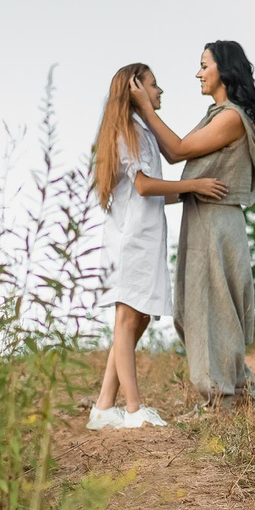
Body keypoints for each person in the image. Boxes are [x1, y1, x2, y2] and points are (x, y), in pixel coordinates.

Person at [88, 61, 226, 429]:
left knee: (140, 315)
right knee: (128, 317)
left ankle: (104, 406)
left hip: (145, 236)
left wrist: (192, 195)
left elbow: (152, 194)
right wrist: (193, 186)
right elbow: (144, 186)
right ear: (134, 89)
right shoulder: (128, 130)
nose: (160, 91)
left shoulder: (141, 130)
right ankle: (133, 409)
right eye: (152, 85)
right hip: (131, 239)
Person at [131, 40, 255, 405]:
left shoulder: (230, 118)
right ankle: (238, 395)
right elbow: (189, 174)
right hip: (203, 219)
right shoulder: (216, 113)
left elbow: (175, 151)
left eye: (204, 65)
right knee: (200, 309)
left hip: (217, 224)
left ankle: (223, 399)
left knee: (212, 309)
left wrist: (144, 107)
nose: (198, 73)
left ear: (224, 68)